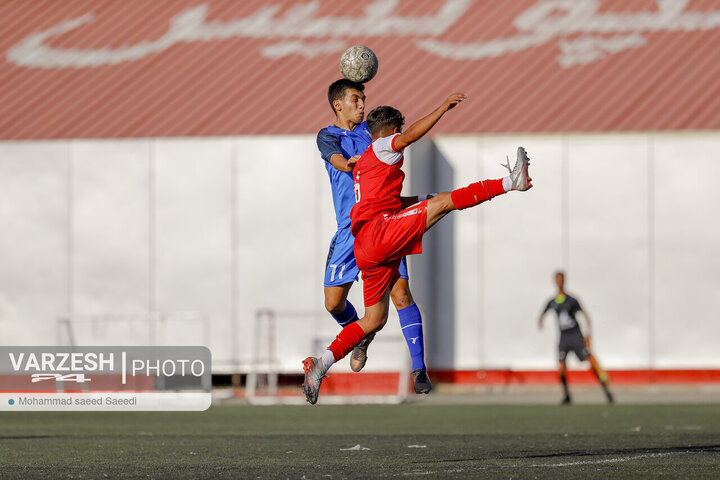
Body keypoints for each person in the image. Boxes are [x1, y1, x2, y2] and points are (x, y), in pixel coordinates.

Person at [302, 92, 532, 404]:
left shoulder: (365, 165)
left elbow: (391, 201)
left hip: (366, 246)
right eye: (399, 129)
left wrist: (429, 201)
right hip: (381, 232)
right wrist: (441, 109)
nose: (401, 135)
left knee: (373, 320)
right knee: (445, 203)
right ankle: (511, 182)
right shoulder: (383, 146)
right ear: (390, 131)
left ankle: (321, 365)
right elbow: (409, 137)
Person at [316, 79, 431, 394]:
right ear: (338, 104)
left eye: (363, 98)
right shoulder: (328, 136)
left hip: (382, 225)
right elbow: (333, 158)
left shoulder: (372, 133)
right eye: (356, 99)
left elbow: (399, 140)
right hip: (348, 230)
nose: (363, 104)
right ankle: (362, 337)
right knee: (333, 303)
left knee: (402, 294)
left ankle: (420, 370)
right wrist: (347, 163)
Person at [538, 271, 614, 405]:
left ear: (564, 281)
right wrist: (541, 321)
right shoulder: (553, 301)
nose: (559, 282)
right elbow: (543, 313)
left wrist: (588, 333)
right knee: (561, 367)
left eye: (561, 279)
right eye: (557, 280)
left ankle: (606, 390)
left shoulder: (571, 300)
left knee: (589, 361)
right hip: (563, 337)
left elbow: (585, 314)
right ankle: (567, 395)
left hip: (575, 335)